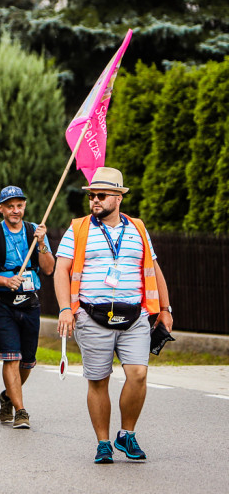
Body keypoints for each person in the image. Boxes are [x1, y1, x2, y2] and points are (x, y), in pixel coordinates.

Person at [54, 167, 172, 464]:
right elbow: (61, 270)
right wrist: (66, 309)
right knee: (99, 380)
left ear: (118, 198)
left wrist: (165, 309)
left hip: (135, 316)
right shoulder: (78, 228)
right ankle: (103, 442)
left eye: (101, 195)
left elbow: (154, 269)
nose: (94, 199)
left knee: (139, 374)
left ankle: (127, 434)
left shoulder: (138, 228)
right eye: (91, 195)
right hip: (92, 315)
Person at [0, 186, 55, 429]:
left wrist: (41, 243)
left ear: (24, 206)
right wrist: (5, 281)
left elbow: (49, 268)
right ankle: (20, 410)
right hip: (2, 302)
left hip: (30, 301)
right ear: (1, 208)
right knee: (11, 356)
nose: (15, 210)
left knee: (27, 361)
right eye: (10, 206)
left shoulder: (34, 231)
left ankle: (8, 396)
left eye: (19, 205)